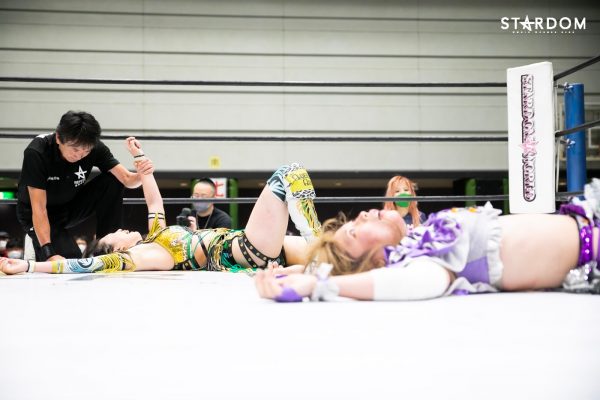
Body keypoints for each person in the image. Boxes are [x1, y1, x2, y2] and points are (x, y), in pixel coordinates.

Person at [0, 138, 322, 275]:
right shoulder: (145, 255)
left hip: (260, 248)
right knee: (289, 173)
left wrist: (140, 160)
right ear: (117, 249)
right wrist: (30, 267)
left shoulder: (157, 235)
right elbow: (88, 265)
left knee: (335, 255)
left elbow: (153, 200)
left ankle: (322, 249)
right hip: (246, 249)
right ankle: (316, 240)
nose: (120, 229)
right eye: (114, 235)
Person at [255, 180, 600, 301]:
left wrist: (300, 272)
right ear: (375, 261)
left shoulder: (421, 238)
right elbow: (410, 284)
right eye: (355, 232)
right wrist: (317, 285)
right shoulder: (423, 263)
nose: (361, 215)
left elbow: (327, 265)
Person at [16, 110, 153, 262]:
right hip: (36, 212)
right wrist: (49, 253)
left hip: (69, 206)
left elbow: (127, 179)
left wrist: (143, 172)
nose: (79, 155)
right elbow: (39, 208)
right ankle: (37, 245)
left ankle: (108, 247)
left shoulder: (94, 147)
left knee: (113, 180)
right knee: (70, 260)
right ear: (58, 138)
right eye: (75, 149)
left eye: (85, 151)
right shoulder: (37, 152)